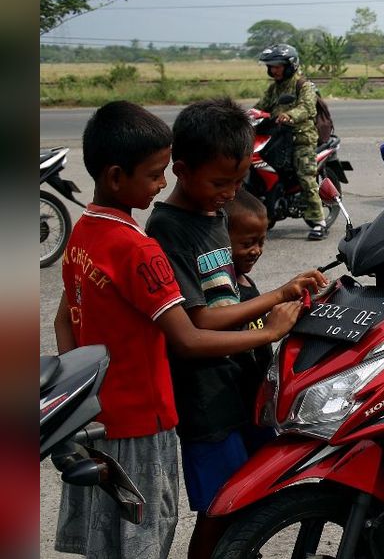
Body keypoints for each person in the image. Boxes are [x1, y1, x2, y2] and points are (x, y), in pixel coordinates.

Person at [52, 101, 303, 559]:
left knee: (111, 534)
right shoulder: (140, 248)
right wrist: (269, 331)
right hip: (146, 419)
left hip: (103, 416)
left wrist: (80, 402)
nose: (162, 183)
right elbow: (187, 337)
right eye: (154, 174)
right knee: (146, 535)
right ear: (115, 177)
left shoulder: (84, 234)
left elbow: (63, 318)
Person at [145, 98, 327, 559]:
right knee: (220, 508)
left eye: (239, 180)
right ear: (181, 170)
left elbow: (231, 292)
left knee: (254, 494)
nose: (230, 192)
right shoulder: (168, 229)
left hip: (242, 386)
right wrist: (278, 300)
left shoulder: (215, 214)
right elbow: (198, 320)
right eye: (220, 182)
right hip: (207, 401)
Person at [254, 43, 327, 240]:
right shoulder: (274, 88)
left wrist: (289, 115)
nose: (273, 70)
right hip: (278, 138)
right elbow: (261, 106)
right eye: (271, 66)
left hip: (301, 139)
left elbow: (307, 109)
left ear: (290, 65)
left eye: (277, 66)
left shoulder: (304, 85)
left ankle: (319, 221)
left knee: (305, 176)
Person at [224, 189, 278, 452]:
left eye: (261, 242)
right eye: (246, 244)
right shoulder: (225, 293)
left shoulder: (248, 283)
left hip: (259, 399)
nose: (256, 251)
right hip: (237, 404)